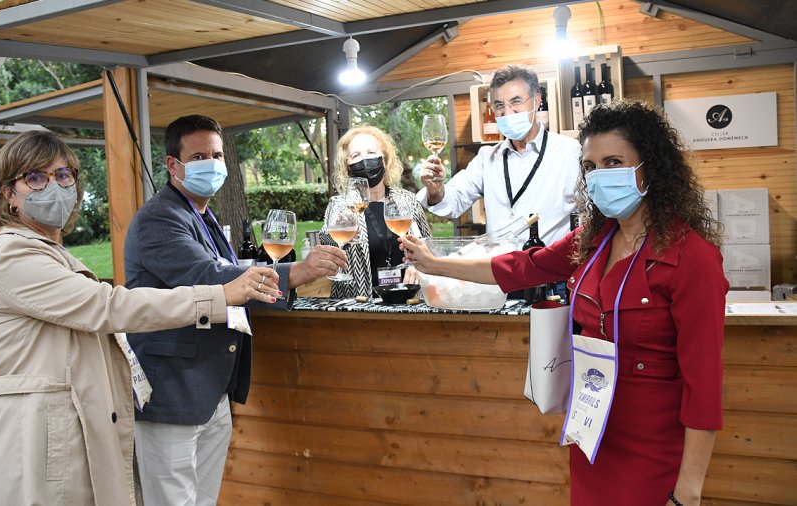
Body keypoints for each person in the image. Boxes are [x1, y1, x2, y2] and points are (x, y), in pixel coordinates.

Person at [401, 99, 728, 506]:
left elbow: (704, 386)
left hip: (652, 445)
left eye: (613, 162)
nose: (599, 176)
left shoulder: (691, 257)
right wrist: (438, 265)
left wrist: (688, 493)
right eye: (590, 167)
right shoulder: (594, 239)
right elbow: (523, 267)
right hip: (592, 433)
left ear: (651, 167)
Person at [0, 131, 275, 505]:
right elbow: (110, 307)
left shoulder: (50, 254)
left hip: (66, 431)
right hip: (36, 439)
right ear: (8, 195)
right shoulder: (15, 257)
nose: (54, 186)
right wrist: (218, 295)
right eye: (36, 177)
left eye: (64, 175)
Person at [123, 115, 346, 506]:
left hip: (210, 390)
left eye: (217, 155)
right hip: (171, 393)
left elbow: (235, 287)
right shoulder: (159, 218)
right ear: (173, 166)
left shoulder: (203, 214)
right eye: (198, 156)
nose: (211, 163)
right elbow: (211, 277)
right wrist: (299, 270)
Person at [417, 64, 581, 245]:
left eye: (516, 101)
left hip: (551, 269)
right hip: (497, 269)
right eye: (499, 105)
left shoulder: (570, 151)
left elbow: (591, 213)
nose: (508, 112)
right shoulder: (486, 158)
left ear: (536, 101)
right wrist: (436, 190)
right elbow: (454, 201)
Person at [319, 125, 431, 298]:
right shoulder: (340, 205)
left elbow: (428, 246)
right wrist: (342, 228)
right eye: (356, 155)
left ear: (384, 160)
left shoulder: (408, 200)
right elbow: (327, 244)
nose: (365, 160)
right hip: (359, 304)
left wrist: (418, 267)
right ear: (347, 166)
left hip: (409, 301)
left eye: (371, 152)